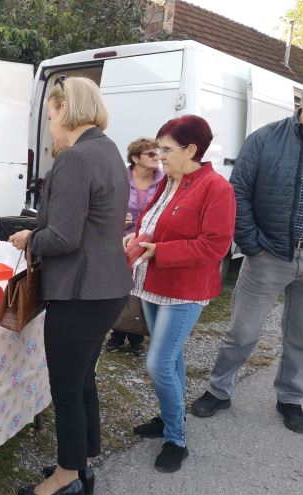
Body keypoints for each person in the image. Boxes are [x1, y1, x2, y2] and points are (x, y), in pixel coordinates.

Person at [9, 76, 133, 495]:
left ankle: (66, 479)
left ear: (65, 109)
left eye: (50, 116)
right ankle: (82, 464)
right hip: (105, 287)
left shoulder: (76, 158)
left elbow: (62, 237)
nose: (50, 127)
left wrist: (29, 239)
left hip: (81, 291)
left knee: (65, 386)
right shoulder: (108, 149)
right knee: (81, 380)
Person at [126, 115, 235, 472]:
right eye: (158, 149)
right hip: (153, 283)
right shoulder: (169, 181)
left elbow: (214, 247)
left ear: (191, 150)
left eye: (166, 149)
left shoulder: (216, 188)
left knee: (158, 362)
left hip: (185, 290)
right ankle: (168, 418)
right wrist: (137, 236)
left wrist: (160, 251)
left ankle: (176, 438)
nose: (159, 156)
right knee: (171, 359)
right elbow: (155, 223)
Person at [191, 108, 303, 434]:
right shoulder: (265, 139)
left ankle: (291, 398)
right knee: (242, 331)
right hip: (269, 253)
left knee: (300, 336)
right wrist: (252, 244)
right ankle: (218, 390)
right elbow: (237, 192)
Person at [106, 138, 163, 356]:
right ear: (135, 158)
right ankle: (117, 334)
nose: (157, 157)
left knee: (140, 290)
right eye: (151, 154)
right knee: (119, 290)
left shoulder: (165, 181)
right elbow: (105, 208)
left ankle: (137, 336)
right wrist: (116, 220)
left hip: (147, 244)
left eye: (158, 153)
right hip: (120, 242)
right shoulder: (119, 178)